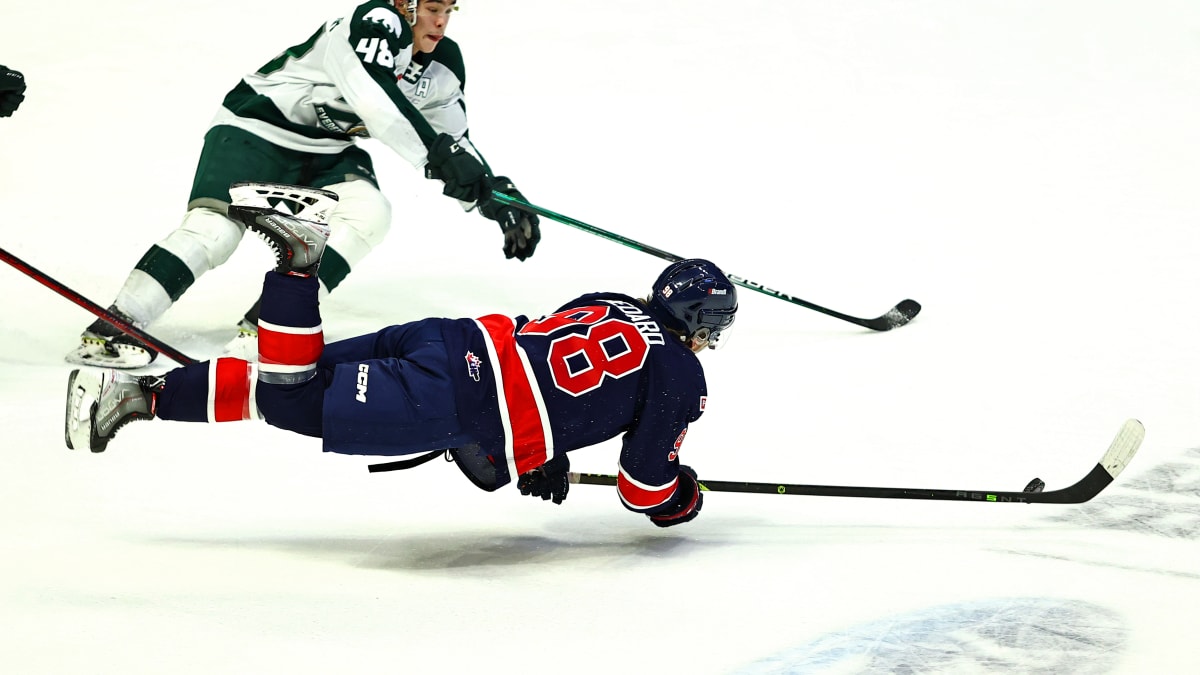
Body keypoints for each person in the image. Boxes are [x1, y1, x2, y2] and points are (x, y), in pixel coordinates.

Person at [64, 183, 737, 527]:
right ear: (702, 322)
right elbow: (643, 483)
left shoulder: (610, 299)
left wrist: (542, 453)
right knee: (292, 398)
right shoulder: (682, 372)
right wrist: (683, 496)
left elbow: (549, 369)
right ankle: (300, 258)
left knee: (291, 374)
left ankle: (140, 397)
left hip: (451, 340)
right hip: (456, 398)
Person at [66, 0, 540, 369]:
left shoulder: (442, 65)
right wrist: (440, 159)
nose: (441, 23)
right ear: (404, 7)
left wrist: (494, 196)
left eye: (447, 11)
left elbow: (453, 141)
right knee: (215, 233)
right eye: (432, 10)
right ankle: (112, 327)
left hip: (325, 151)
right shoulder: (372, 23)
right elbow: (378, 104)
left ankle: (271, 324)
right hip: (256, 129)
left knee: (371, 213)